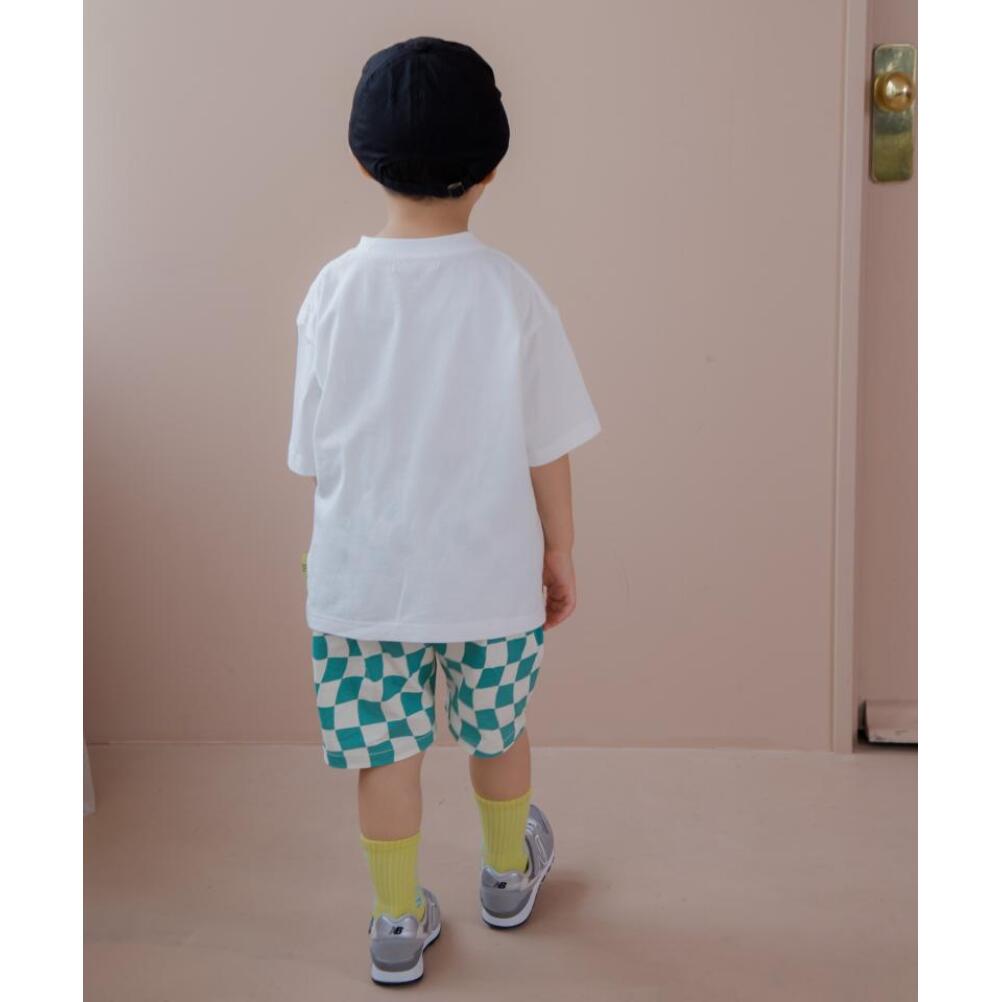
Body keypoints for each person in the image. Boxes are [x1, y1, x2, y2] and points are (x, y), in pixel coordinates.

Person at [287, 36, 600, 985]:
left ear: (361, 159)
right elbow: (548, 444)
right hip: (490, 581)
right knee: (497, 733)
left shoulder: (333, 292)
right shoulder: (511, 294)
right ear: (492, 166)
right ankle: (506, 875)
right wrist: (559, 552)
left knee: (385, 757)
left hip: (362, 587)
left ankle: (395, 923)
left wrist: (335, 549)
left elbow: (314, 453)